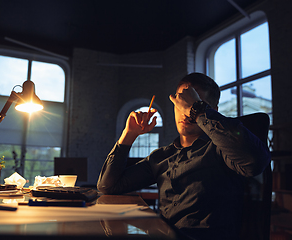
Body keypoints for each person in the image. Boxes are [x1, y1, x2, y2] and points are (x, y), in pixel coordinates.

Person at [97, 72, 271, 240]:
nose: (186, 111)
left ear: (213, 110)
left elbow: (255, 162)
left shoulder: (222, 150)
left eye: (194, 103)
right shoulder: (160, 157)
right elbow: (107, 186)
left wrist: (198, 110)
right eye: (182, 103)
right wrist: (128, 134)